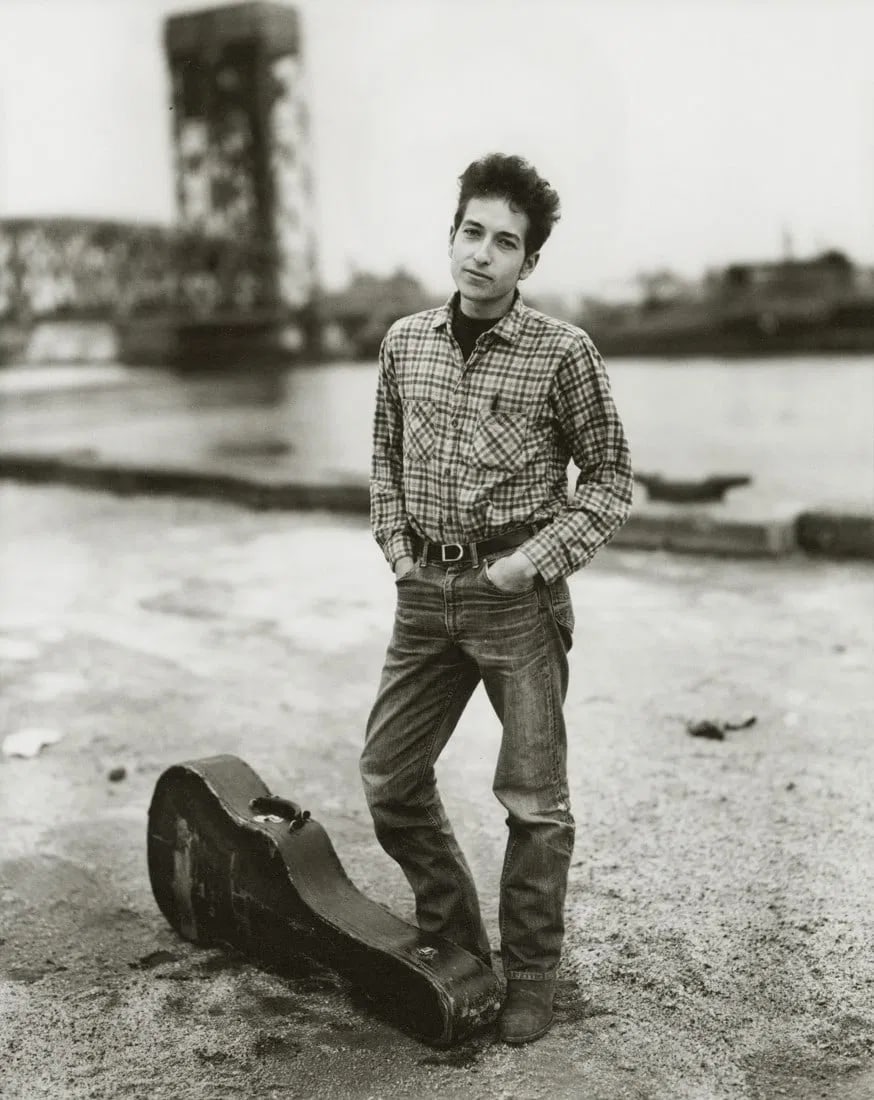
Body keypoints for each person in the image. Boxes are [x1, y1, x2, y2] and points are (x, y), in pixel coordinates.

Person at [360, 153, 633, 1044]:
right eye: (471, 233)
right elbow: (384, 462)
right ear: (451, 236)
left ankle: (535, 974)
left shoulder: (564, 353)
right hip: (422, 595)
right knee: (391, 779)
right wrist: (399, 549)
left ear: (529, 262)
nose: (482, 254)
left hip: (515, 597)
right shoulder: (405, 342)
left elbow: (610, 479)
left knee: (533, 802)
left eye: (504, 242)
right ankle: (453, 935)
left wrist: (533, 564)